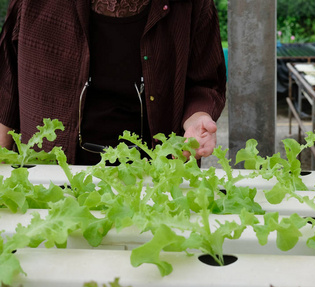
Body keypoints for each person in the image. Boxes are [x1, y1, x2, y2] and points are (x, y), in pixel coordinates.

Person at [0, 0, 227, 165]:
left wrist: (198, 118)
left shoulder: (192, 6)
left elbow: (204, 83)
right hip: (52, 179)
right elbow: (5, 96)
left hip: (155, 184)